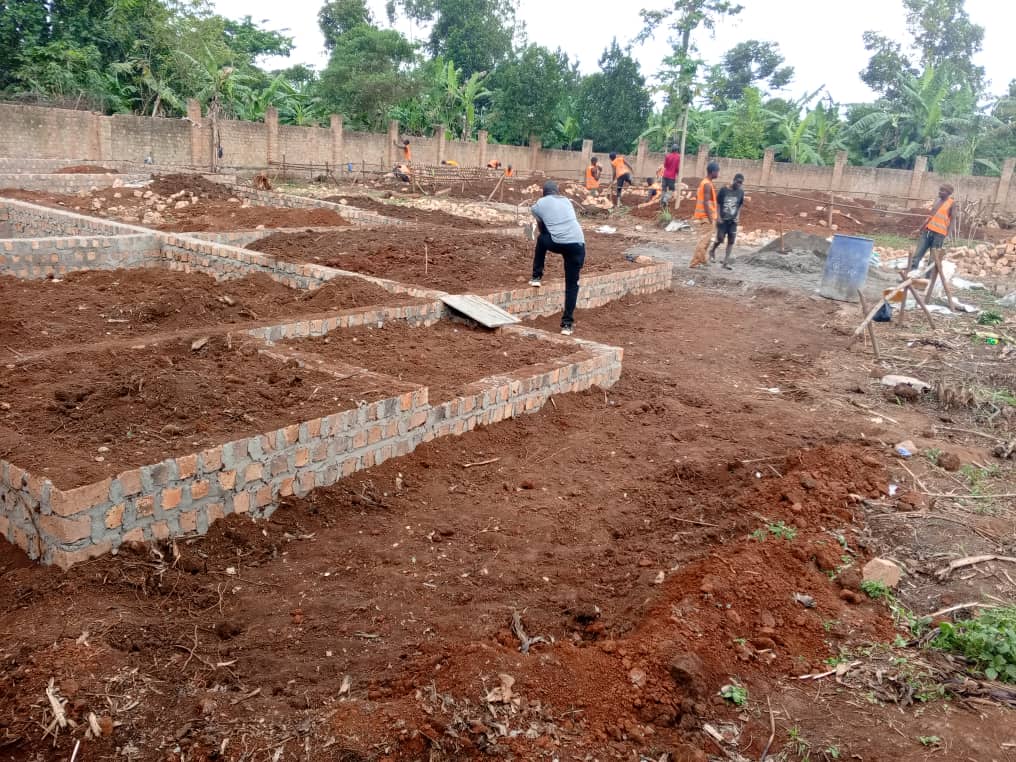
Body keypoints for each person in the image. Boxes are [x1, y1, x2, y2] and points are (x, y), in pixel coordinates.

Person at [528, 181, 586, 336]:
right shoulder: (567, 201)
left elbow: (542, 228)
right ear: (557, 192)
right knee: (572, 285)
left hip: (558, 242)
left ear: (543, 193)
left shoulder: (538, 205)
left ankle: (536, 276)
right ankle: (567, 325)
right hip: (578, 244)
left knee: (541, 240)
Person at [910, 184, 955, 271]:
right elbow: (930, 217)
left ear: (948, 193)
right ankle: (910, 274)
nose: (940, 192)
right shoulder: (937, 201)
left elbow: (953, 221)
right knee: (917, 255)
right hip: (927, 232)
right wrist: (919, 229)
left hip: (939, 235)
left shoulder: (952, 204)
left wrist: (948, 235)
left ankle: (928, 279)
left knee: (932, 259)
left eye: (943, 190)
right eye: (940, 189)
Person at [708, 173, 745, 270]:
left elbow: (740, 205)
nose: (739, 185)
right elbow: (718, 203)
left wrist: (738, 216)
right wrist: (718, 216)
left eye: (741, 183)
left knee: (731, 240)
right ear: (733, 180)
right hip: (722, 219)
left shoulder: (741, 192)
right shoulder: (724, 190)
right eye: (738, 182)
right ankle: (712, 250)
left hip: (733, 221)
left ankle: (725, 262)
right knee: (720, 238)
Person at [689, 161, 720, 268]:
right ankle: (700, 261)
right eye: (717, 171)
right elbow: (706, 202)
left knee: (705, 242)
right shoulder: (706, 184)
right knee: (703, 241)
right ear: (713, 172)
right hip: (707, 217)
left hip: (708, 216)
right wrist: (711, 219)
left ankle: (697, 262)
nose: (718, 174)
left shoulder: (706, 183)